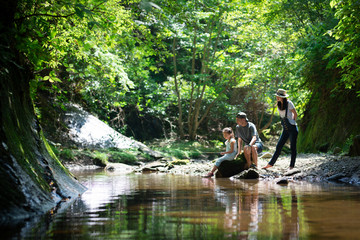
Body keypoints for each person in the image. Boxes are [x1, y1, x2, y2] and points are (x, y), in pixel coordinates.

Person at [263, 89, 298, 170]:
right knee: (279, 146)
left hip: (292, 128)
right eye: (277, 96)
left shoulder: (289, 103)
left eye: (278, 96)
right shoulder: (278, 104)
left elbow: (295, 114)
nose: (277, 97)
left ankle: (291, 166)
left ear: (282, 97)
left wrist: (292, 121)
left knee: (293, 147)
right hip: (285, 129)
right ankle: (270, 164)